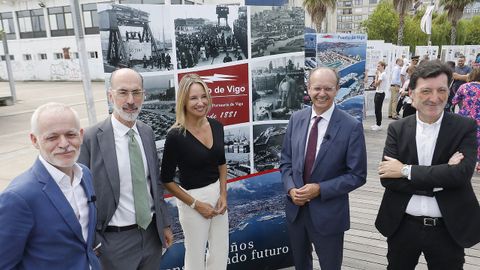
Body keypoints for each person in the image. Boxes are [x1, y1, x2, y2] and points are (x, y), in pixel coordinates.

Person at [376, 60, 480, 270]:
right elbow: (388, 179)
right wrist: (442, 175)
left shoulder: (464, 127)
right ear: (411, 93)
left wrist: (405, 170)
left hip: (448, 228)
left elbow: (460, 175)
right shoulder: (397, 128)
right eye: (426, 91)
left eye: (442, 90)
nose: (435, 98)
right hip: (402, 225)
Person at [78, 68, 173, 270]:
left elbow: (155, 183)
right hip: (113, 244)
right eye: (123, 92)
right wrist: (93, 239)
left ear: (143, 95)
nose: (131, 100)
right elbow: (79, 194)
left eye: (136, 92)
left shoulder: (146, 132)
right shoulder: (90, 138)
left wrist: (164, 224)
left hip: (151, 236)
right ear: (110, 95)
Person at [280, 67, 367, 270]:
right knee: (301, 265)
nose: (322, 93)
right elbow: (285, 162)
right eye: (317, 88)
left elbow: (357, 175)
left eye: (328, 88)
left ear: (337, 89)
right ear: (308, 89)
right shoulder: (296, 119)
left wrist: (320, 189)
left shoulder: (351, 126)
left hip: (329, 215)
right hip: (296, 212)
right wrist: (291, 189)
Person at [0, 102, 101, 270]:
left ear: (81, 135)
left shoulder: (85, 174)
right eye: (52, 137)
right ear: (34, 140)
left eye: (70, 134)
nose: (64, 144)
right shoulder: (18, 197)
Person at [160, 73, 228, 270]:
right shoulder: (175, 135)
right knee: (195, 257)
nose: (200, 102)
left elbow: (222, 163)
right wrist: (196, 204)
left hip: (218, 195)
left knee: (220, 251)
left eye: (203, 96)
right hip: (192, 199)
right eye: (194, 98)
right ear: (183, 101)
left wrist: (223, 193)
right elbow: (166, 179)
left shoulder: (217, 126)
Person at [452, 67, 480, 173]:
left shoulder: (464, 87)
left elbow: (454, 100)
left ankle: (463, 160)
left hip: (465, 117)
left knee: (463, 139)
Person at [372, 61, 388, 131]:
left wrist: (376, 76)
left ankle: (379, 124)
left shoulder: (383, 74)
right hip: (378, 93)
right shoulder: (381, 74)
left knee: (378, 110)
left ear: (382, 66)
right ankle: (377, 123)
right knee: (377, 109)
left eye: (378, 66)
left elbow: (376, 84)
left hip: (380, 94)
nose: (377, 67)